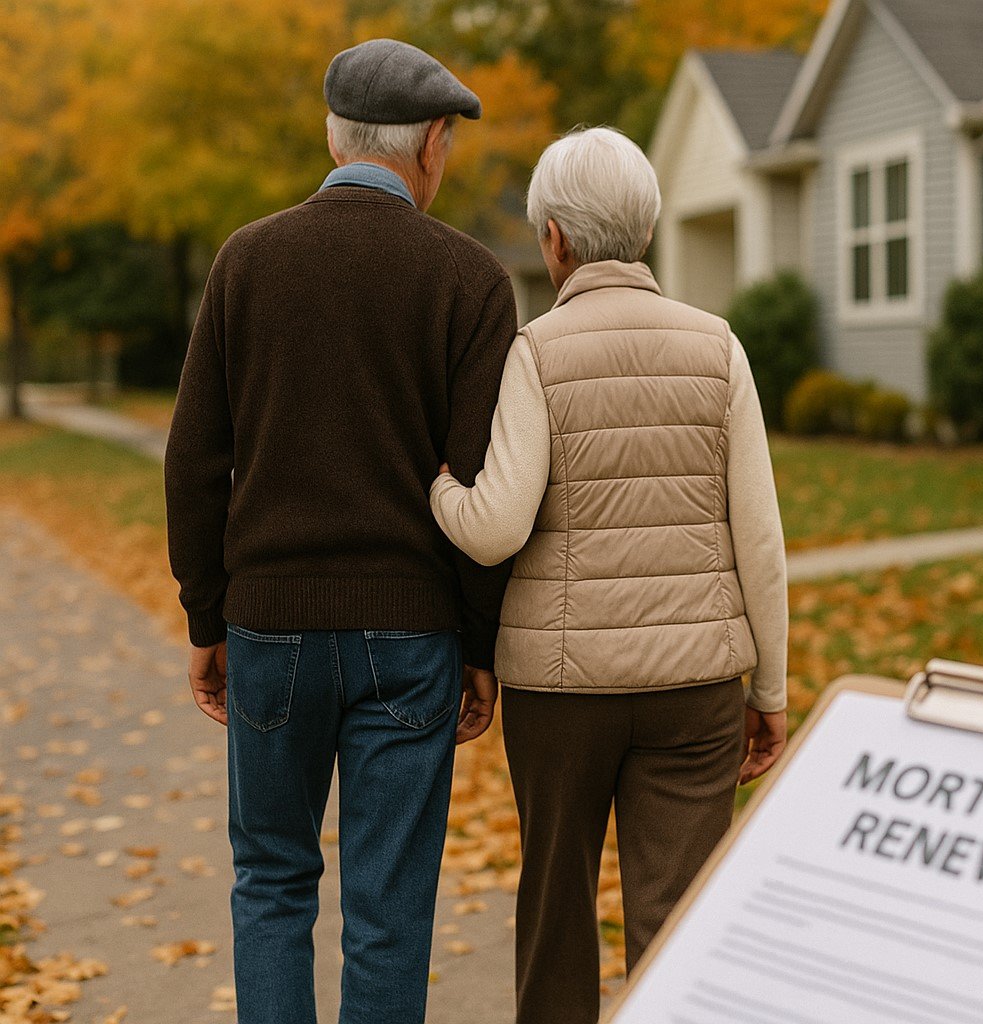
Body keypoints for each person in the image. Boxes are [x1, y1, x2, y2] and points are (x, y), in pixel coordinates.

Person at [163, 39, 516, 1024]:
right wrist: (480, 647)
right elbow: (480, 477)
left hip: (270, 627)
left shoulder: (247, 260)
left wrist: (208, 618)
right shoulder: (472, 280)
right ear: (434, 144)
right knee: (389, 907)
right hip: (413, 638)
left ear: (333, 133)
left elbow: (193, 462)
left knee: (272, 881)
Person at [430, 126, 790, 1024]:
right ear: (650, 226)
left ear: (553, 238)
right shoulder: (718, 347)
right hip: (697, 684)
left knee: (556, 915)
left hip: (562, 694)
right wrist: (771, 688)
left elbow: (494, 527)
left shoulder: (537, 352)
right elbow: (762, 539)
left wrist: (438, 485)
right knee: (681, 921)